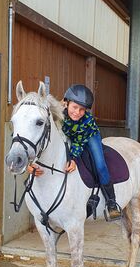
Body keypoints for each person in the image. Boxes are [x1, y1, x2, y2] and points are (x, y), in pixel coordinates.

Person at [28, 84, 122, 221]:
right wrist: (32, 162)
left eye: (82, 110)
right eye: (75, 107)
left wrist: (73, 158)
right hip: (70, 135)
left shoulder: (87, 121)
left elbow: (78, 143)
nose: (77, 112)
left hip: (89, 136)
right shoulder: (58, 113)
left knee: (100, 164)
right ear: (66, 103)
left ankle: (111, 203)